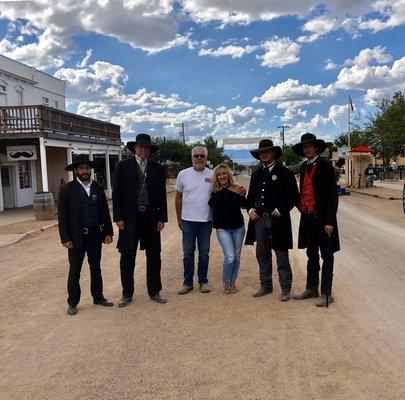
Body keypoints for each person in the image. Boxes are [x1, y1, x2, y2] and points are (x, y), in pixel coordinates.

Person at [113, 134, 168, 307]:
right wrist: (119, 217)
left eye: (146, 147)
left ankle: (154, 290)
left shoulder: (157, 168)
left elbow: (161, 195)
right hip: (129, 218)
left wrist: (162, 217)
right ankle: (127, 293)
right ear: (134, 148)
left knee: (154, 255)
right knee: (127, 256)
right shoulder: (123, 167)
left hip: (151, 217)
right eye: (140, 147)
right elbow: (117, 195)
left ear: (150, 150)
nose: (143, 150)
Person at [58, 155, 114, 316]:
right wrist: (65, 238)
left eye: (87, 168)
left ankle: (98, 297)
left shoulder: (97, 186)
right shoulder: (67, 189)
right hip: (76, 238)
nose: (85, 171)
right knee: (75, 270)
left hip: (95, 235)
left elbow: (104, 211)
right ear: (76, 170)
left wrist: (108, 232)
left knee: (95, 267)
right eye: (81, 168)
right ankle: (73, 302)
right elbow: (62, 216)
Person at [245, 139, 299, 301]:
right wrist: (250, 209)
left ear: (273, 153)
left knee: (281, 254)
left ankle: (286, 288)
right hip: (260, 220)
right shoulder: (257, 173)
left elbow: (293, 197)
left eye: (267, 151)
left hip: (278, 221)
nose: (264, 154)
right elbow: (251, 197)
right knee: (262, 254)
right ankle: (266, 286)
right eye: (261, 152)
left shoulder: (285, 173)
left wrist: (280, 209)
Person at [292, 133, 340, 307]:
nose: (308, 149)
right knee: (311, 254)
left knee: (327, 255)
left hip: (323, 219)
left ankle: (327, 292)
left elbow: (332, 197)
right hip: (308, 218)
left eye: (310, 146)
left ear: (316, 147)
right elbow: (303, 191)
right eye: (305, 147)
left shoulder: (327, 167)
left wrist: (329, 221)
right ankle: (312, 288)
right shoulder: (304, 166)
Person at [175, 146, 213, 294]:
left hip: (206, 221)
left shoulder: (212, 174)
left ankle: (203, 281)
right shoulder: (183, 174)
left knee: (204, 252)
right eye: (196, 156)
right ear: (192, 158)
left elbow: (224, 188)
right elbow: (178, 199)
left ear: (206, 158)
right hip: (188, 220)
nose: (199, 158)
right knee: (188, 253)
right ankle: (187, 282)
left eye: (201, 156)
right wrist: (179, 219)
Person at [208, 164, 247, 294]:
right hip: (222, 228)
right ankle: (226, 281)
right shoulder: (214, 191)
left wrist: (243, 195)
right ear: (216, 177)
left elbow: (245, 205)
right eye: (219, 174)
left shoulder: (237, 189)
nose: (222, 176)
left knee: (237, 256)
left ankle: (232, 282)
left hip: (238, 227)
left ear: (228, 175)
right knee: (229, 256)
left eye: (224, 173)